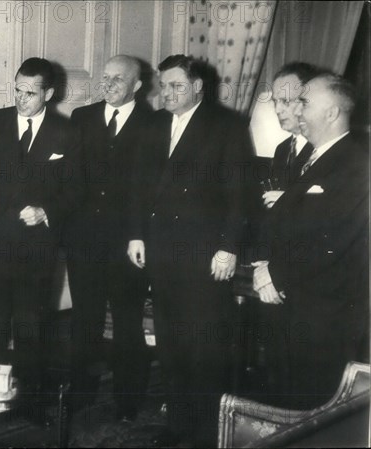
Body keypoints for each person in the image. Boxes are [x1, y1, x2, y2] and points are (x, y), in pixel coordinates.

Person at [127, 54, 253, 446]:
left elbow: (240, 194)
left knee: (203, 345)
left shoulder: (226, 125)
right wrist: (136, 235)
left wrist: (228, 248)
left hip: (204, 256)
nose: (167, 93)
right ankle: (178, 425)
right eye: (164, 86)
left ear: (198, 87)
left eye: (177, 86)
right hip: (162, 252)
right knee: (171, 342)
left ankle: (206, 432)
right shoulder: (154, 125)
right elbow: (139, 187)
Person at [252, 73, 369, 410]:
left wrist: (276, 274)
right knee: (288, 400)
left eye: (304, 102)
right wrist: (266, 268)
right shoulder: (310, 158)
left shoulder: (357, 163)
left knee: (315, 406)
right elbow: (287, 223)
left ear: (332, 113)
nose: (296, 109)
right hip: (293, 304)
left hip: (325, 314)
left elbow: (334, 238)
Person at [0, 58, 81, 397]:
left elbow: (77, 189)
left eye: (30, 93)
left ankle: (30, 404)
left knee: (31, 328)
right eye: (18, 89)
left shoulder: (67, 133)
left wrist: (46, 209)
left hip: (37, 248)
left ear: (48, 93)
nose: (21, 98)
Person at [65, 55, 151, 421]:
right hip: (84, 241)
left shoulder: (156, 123)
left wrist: (139, 235)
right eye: (106, 77)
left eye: (119, 79)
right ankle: (81, 391)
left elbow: (151, 189)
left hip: (127, 245)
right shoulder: (82, 118)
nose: (109, 84)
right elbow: (70, 179)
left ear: (137, 86)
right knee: (85, 318)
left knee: (128, 321)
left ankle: (128, 399)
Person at [262, 62, 318, 209]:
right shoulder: (282, 149)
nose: (277, 110)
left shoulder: (323, 147)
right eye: (275, 101)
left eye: (285, 101)